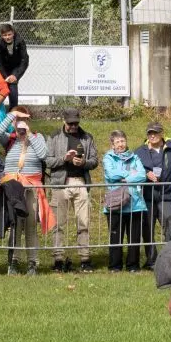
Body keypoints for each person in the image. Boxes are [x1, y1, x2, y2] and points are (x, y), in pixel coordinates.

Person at [0, 107, 50, 275]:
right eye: (18, 121)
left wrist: (29, 134)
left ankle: (32, 263)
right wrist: (12, 115)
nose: (21, 124)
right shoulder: (10, 139)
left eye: (24, 120)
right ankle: (13, 262)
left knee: (30, 226)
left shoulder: (37, 137)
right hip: (13, 189)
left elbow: (43, 154)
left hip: (31, 189)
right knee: (15, 225)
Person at [46, 108, 100, 273]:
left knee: (83, 222)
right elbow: (47, 161)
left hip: (80, 182)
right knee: (58, 224)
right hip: (60, 184)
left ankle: (85, 258)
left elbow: (94, 160)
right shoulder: (54, 136)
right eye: (70, 124)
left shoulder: (87, 137)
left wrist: (83, 163)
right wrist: (64, 159)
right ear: (64, 121)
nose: (74, 126)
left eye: (76, 123)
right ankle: (58, 259)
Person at [135, 122, 171, 271]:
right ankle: (151, 261)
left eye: (155, 132)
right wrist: (145, 173)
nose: (152, 135)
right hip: (147, 197)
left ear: (162, 133)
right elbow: (133, 170)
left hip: (166, 195)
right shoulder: (139, 151)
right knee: (147, 229)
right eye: (150, 133)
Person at [103, 130, 148, 273]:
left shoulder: (135, 157)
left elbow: (142, 175)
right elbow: (111, 174)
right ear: (112, 145)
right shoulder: (108, 158)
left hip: (135, 204)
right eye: (117, 142)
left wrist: (125, 179)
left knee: (134, 237)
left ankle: (133, 265)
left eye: (122, 141)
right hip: (115, 203)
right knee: (115, 236)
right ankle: (115, 266)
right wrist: (130, 174)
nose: (120, 144)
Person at [0, 24, 29, 110]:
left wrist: (16, 76)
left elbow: (24, 60)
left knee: (12, 86)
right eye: (5, 35)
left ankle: (13, 112)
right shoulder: (0, 43)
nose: (7, 37)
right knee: (0, 88)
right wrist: (5, 77)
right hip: (4, 69)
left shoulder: (20, 41)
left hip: (16, 68)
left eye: (9, 34)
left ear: (13, 33)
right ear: (2, 36)